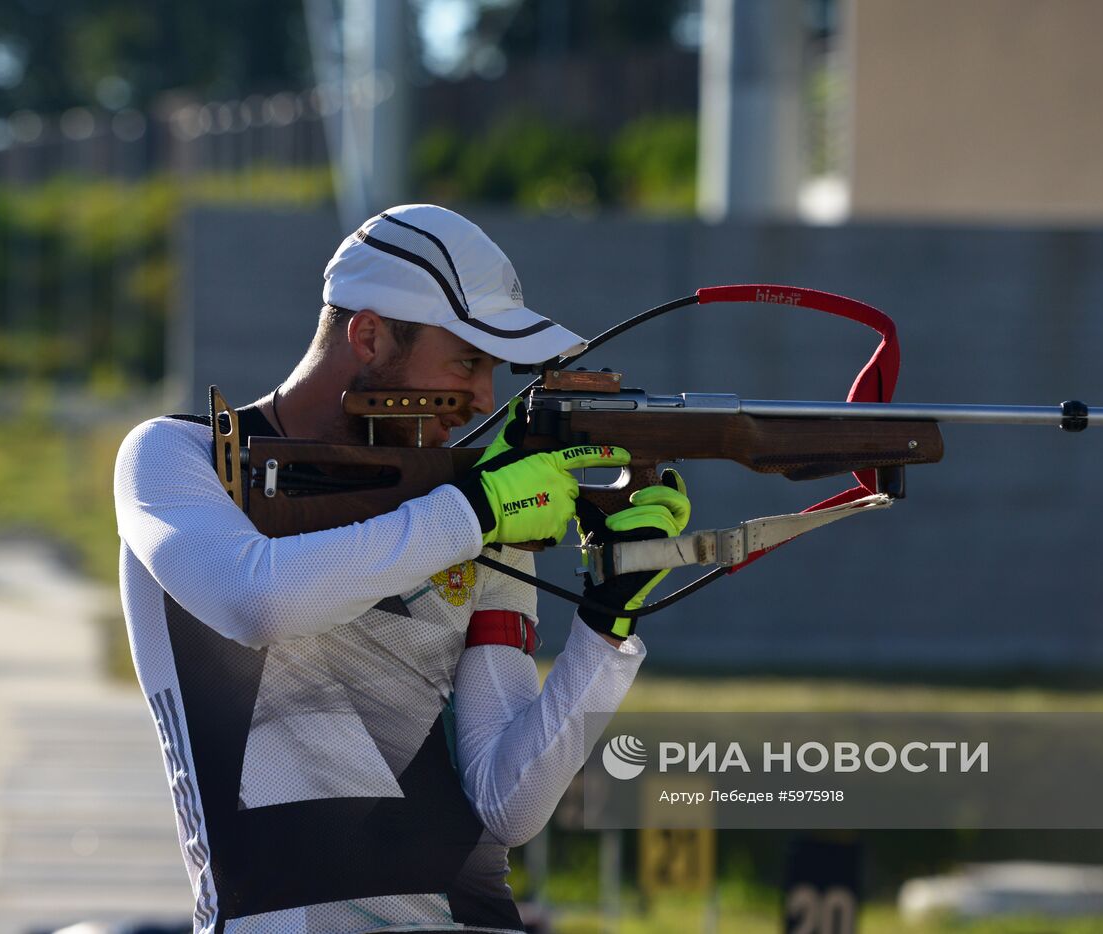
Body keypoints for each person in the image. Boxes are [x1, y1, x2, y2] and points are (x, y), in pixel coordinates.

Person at [114, 204, 690, 933]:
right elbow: (255, 602)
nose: (485, 397)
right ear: (369, 335)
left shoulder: (477, 508)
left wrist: (608, 621)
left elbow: (509, 804)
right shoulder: (175, 457)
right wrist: (475, 510)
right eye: (468, 360)